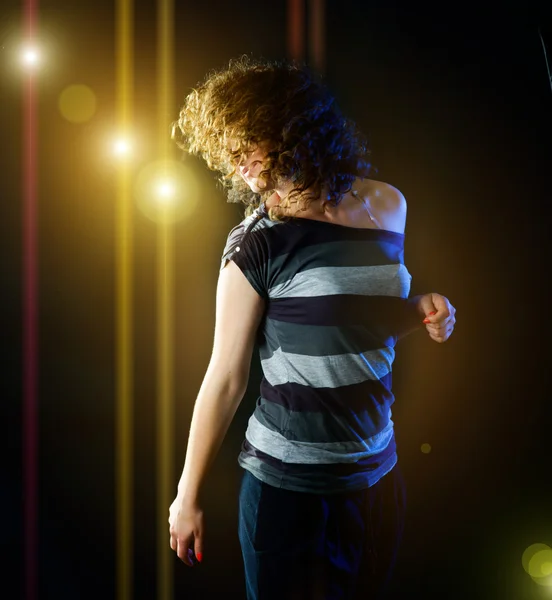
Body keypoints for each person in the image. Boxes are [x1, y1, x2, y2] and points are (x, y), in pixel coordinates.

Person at [168, 55, 457, 599]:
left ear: (293, 130)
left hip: (376, 477)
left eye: (248, 147)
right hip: (286, 492)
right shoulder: (256, 242)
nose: (240, 169)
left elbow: (360, 318)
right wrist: (187, 495)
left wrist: (422, 310)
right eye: (230, 156)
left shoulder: (386, 205)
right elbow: (226, 377)